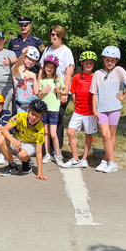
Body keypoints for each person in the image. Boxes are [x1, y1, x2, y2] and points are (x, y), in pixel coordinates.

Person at [90, 46, 126, 173]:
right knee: (105, 135)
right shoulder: (97, 74)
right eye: (107, 59)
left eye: (113, 60)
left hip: (114, 108)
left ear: (117, 61)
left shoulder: (119, 70)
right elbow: (94, 93)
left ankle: (108, 162)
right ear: (103, 59)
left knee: (112, 135)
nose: (110, 62)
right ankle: (111, 162)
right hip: (101, 109)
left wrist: (123, 97)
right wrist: (94, 110)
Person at [39, 25, 75, 157]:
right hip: (47, 89)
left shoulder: (66, 51)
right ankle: (47, 150)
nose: (54, 37)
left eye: (57, 35)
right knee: (46, 121)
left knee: (58, 120)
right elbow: (42, 69)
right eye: (52, 34)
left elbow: (68, 73)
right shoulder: (47, 49)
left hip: (60, 90)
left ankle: (57, 149)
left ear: (62, 36)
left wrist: (65, 92)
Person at [0, 99, 48, 180]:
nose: (33, 118)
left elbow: (39, 152)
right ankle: (13, 165)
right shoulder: (20, 116)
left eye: (37, 116)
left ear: (41, 117)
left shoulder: (40, 128)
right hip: (17, 139)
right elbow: (4, 130)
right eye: (32, 114)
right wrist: (13, 141)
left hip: (30, 144)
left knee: (22, 155)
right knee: (0, 138)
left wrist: (40, 173)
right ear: (28, 111)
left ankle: (26, 160)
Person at [62, 51, 97, 168]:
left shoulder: (95, 77)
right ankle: (75, 158)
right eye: (86, 62)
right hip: (78, 111)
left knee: (88, 135)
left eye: (91, 63)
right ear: (82, 63)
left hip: (90, 112)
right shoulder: (77, 77)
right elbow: (73, 92)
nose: (89, 65)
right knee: (70, 132)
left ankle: (84, 159)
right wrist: (76, 104)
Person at [38, 54, 66, 166]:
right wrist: (43, 92)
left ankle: (58, 155)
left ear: (54, 69)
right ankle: (47, 154)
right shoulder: (42, 81)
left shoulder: (58, 80)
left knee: (53, 134)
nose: (49, 69)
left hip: (54, 109)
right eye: (47, 66)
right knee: (45, 132)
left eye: (51, 67)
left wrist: (59, 91)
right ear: (44, 67)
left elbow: (64, 91)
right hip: (44, 109)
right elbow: (39, 97)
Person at [12, 46, 40, 113]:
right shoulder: (17, 69)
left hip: (30, 105)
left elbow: (36, 92)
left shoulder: (32, 74)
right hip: (18, 104)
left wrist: (34, 79)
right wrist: (23, 54)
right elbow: (18, 63)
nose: (31, 62)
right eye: (29, 59)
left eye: (33, 61)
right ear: (24, 58)